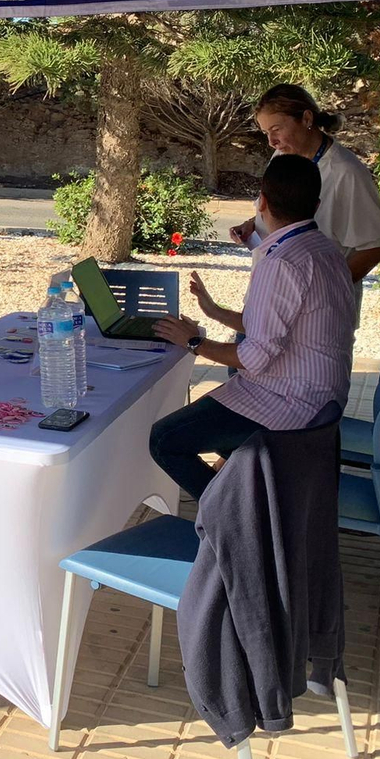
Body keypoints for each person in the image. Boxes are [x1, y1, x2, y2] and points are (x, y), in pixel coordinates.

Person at [149, 154, 358, 500]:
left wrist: (194, 342)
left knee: (164, 440)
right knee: (220, 438)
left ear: (261, 201)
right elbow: (275, 326)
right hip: (323, 399)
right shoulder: (327, 251)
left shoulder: (281, 262)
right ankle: (243, 502)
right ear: (316, 205)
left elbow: (255, 357)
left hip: (291, 404)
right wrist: (215, 312)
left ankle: (234, 518)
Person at [231, 84, 380, 291]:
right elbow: (281, 211)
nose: (271, 142)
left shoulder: (345, 172)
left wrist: (323, 289)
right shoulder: (282, 155)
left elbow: (377, 247)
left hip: (318, 304)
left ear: (307, 119)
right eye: (266, 133)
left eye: (276, 130)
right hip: (270, 291)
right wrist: (253, 224)